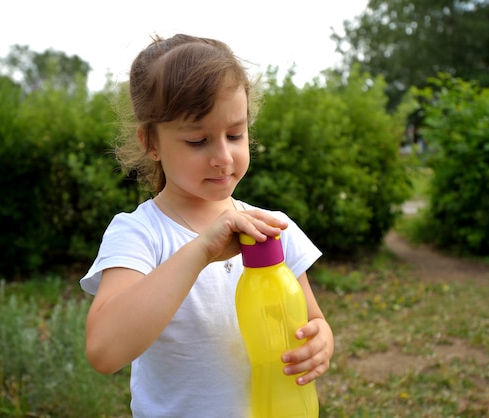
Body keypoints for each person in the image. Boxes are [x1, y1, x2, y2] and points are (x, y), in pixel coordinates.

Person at [80, 33, 334, 417]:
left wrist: (320, 340)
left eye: (235, 134)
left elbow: (310, 318)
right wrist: (201, 251)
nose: (223, 156)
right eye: (198, 140)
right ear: (151, 142)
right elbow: (104, 351)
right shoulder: (140, 233)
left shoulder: (269, 227)